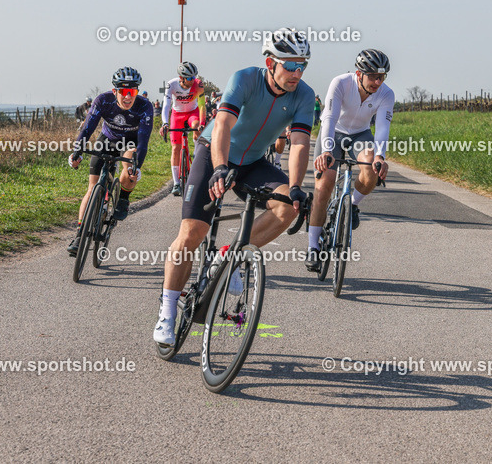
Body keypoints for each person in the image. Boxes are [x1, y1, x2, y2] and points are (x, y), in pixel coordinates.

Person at [153, 28, 315, 345]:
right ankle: (168, 311)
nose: (297, 73)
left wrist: (296, 186)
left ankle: (229, 255)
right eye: (290, 65)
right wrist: (219, 168)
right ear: (270, 63)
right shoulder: (245, 79)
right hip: (213, 152)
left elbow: (298, 143)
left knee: (288, 207)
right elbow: (223, 126)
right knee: (192, 232)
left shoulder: (304, 95)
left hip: (252, 162)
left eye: (302, 66)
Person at [306, 49, 394, 271]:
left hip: (360, 135)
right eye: (372, 76)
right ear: (358, 74)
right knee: (324, 186)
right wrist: (327, 150)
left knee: (371, 169)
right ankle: (312, 246)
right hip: (333, 133)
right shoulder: (341, 83)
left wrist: (380, 157)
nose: (377, 82)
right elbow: (329, 118)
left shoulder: (386, 94)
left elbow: (382, 128)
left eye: (381, 77)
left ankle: (352, 205)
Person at [67, 67, 154, 256]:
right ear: (115, 91)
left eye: (132, 92)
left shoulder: (145, 106)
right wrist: (77, 152)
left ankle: (123, 198)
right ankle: (80, 236)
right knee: (92, 188)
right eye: (124, 91)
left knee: (129, 164)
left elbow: (143, 141)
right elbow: (87, 128)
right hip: (107, 139)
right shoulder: (103, 100)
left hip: (131, 142)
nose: (128, 97)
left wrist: (136, 167)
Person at [159, 62, 205, 196]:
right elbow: (166, 105)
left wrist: (202, 123)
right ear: (181, 78)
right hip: (177, 115)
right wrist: (165, 123)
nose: (192, 80)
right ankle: (176, 183)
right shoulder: (171, 84)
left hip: (192, 113)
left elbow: (202, 105)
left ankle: (196, 156)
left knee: (196, 127)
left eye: (194, 77)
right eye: (189, 78)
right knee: (175, 148)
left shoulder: (198, 84)